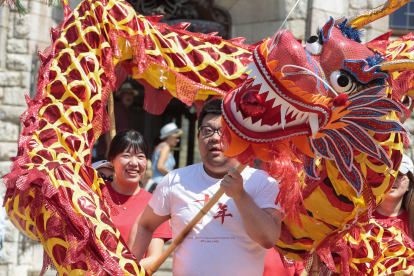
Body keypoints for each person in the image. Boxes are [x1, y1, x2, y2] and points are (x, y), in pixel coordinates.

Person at [127, 99, 282, 276]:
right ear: (198, 136)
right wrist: (128, 267)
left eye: (224, 131)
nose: (215, 137)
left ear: (239, 137)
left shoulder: (261, 181)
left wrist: (240, 195)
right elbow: (144, 224)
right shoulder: (175, 180)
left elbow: (269, 238)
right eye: (208, 131)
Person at [104, 130, 172, 270]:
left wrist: (118, 272)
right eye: (126, 156)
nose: (134, 163)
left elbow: (154, 258)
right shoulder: (94, 193)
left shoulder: (155, 204)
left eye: (140, 156)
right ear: (112, 160)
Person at [373, 154, 414, 238]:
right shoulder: (360, 219)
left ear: (409, 186)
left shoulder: (412, 222)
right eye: (387, 173)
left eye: (399, 174)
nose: (392, 178)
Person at [96, 82, 139, 159]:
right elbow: (107, 129)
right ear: (120, 95)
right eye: (126, 94)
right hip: (110, 151)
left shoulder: (128, 110)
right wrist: (109, 148)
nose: (129, 96)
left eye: (131, 94)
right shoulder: (116, 108)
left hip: (118, 151)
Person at [149, 122, 182, 193]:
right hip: (160, 185)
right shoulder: (165, 147)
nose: (178, 140)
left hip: (156, 184)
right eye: (176, 137)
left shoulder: (159, 146)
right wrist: (176, 175)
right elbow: (160, 166)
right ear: (169, 136)